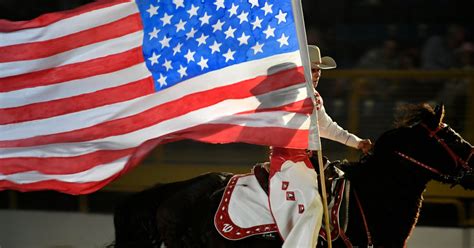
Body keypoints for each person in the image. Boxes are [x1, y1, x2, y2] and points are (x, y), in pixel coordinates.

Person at [268, 45, 372, 247]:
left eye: (319, 70)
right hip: (287, 161)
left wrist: (357, 142)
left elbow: (327, 127)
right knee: (312, 203)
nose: (317, 74)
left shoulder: (314, 96)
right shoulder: (286, 94)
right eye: (313, 69)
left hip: (307, 159)